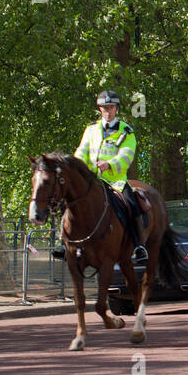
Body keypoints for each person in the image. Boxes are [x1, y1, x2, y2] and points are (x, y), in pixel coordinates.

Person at [74, 89, 146, 262]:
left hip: (116, 181)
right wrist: (78, 168)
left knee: (132, 203)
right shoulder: (90, 130)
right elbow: (81, 152)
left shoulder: (126, 131)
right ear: (100, 109)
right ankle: (69, 244)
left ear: (116, 109)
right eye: (104, 107)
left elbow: (127, 155)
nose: (108, 111)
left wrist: (110, 164)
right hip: (92, 181)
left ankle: (138, 245)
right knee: (70, 201)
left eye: (111, 107)